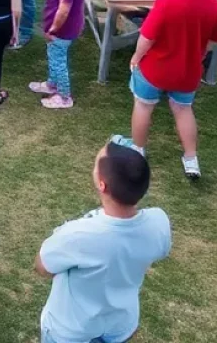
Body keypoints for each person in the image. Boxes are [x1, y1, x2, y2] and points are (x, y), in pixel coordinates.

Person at [36, 143, 171, 343]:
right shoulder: (159, 222)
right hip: (121, 325)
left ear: (102, 185)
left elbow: (42, 266)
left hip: (71, 331)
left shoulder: (78, 234)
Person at [113, 0, 217, 179]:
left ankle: (138, 149)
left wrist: (136, 56)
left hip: (155, 70)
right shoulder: (216, 7)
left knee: (143, 106)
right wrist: (201, 52)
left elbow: (147, 37)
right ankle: (191, 159)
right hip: (188, 73)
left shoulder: (167, 0)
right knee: (183, 110)